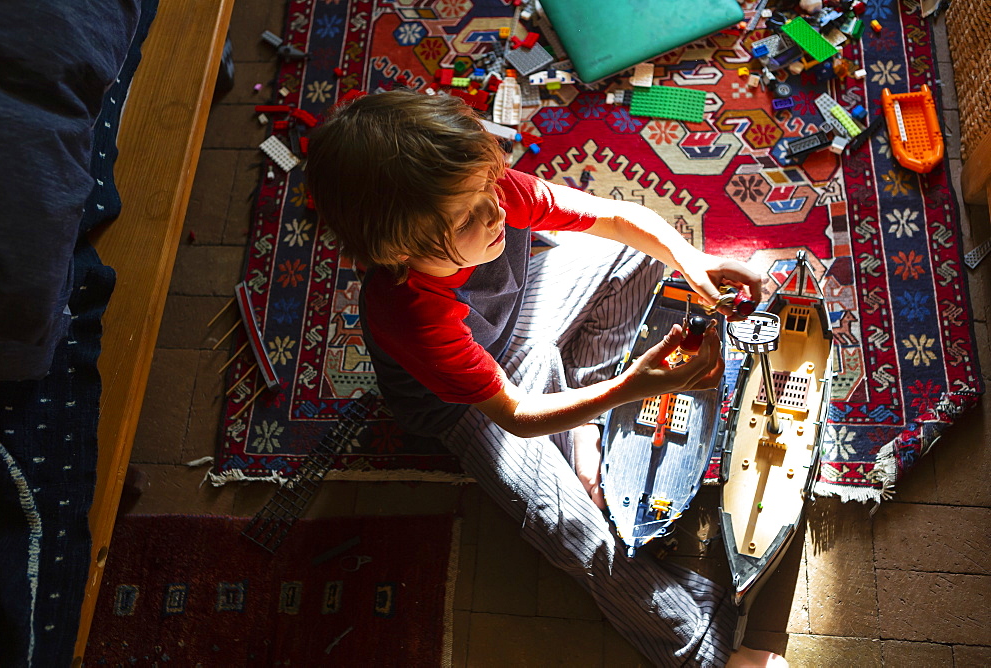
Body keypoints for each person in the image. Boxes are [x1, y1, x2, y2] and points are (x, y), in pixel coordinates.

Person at [307, 89, 784, 667]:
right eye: (467, 217)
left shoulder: (492, 195)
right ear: (398, 251)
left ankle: (588, 422)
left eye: (490, 189)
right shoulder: (410, 314)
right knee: (566, 525)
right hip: (473, 406)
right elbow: (515, 415)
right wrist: (637, 385)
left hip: (526, 313)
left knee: (636, 253)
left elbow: (614, 216)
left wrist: (693, 260)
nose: (497, 214)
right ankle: (695, 647)